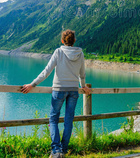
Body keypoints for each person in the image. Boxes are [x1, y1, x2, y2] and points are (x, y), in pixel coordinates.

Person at [21, 29, 91, 158]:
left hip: (59, 90)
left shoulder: (58, 52)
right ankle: (63, 150)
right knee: (69, 120)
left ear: (62, 41)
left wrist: (33, 84)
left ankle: (56, 151)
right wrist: (83, 86)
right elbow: (82, 73)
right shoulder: (80, 53)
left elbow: (46, 71)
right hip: (74, 90)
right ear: (74, 40)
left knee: (53, 119)